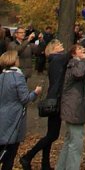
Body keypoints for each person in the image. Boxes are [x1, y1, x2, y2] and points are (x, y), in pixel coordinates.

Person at [19, 38, 68, 170]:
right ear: (53, 49)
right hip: (55, 100)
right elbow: (71, 53)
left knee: (50, 133)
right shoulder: (58, 59)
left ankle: (44, 164)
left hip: (54, 99)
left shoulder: (55, 59)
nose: (61, 45)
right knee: (53, 135)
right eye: (59, 44)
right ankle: (28, 156)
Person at [55, 41, 85, 170]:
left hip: (78, 106)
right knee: (76, 144)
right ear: (74, 54)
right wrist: (84, 60)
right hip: (74, 108)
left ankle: (61, 167)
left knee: (70, 140)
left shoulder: (84, 65)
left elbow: (83, 83)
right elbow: (78, 74)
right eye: (79, 49)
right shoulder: (74, 63)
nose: (83, 50)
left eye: (83, 48)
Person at [0, 50, 41, 170]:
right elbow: (25, 99)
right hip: (14, 117)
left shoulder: (1, 77)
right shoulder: (18, 77)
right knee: (10, 153)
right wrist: (35, 92)